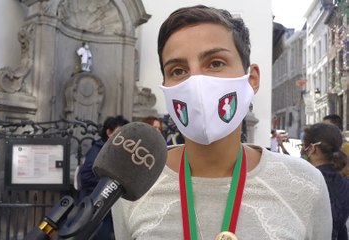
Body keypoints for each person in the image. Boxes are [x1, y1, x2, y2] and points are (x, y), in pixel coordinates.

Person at [112, 5, 332, 240]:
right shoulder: (134, 184)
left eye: (215, 63)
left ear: (252, 79)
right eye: (178, 70)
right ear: (166, 86)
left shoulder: (304, 185)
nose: (196, 81)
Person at [79, 115, 129, 240]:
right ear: (109, 132)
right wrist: (112, 184)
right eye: (120, 132)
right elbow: (86, 177)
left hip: (109, 206)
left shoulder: (116, 150)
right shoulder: (98, 150)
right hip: (96, 206)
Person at [301, 123, 349, 240]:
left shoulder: (304, 182)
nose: (302, 151)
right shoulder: (345, 183)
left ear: (312, 149)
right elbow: (341, 228)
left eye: (303, 146)